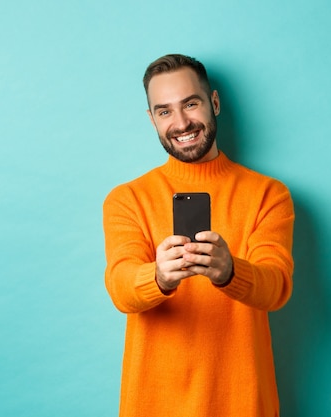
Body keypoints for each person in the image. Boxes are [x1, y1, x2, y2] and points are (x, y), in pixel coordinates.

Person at [103, 53, 295, 417]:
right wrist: (157, 277)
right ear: (152, 119)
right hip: (153, 405)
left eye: (191, 104)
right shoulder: (127, 199)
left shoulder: (268, 195)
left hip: (243, 404)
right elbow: (120, 286)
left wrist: (230, 272)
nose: (181, 122)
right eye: (164, 111)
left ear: (214, 103)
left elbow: (277, 287)